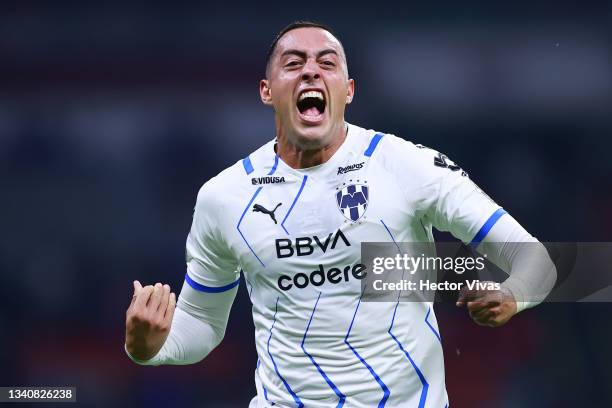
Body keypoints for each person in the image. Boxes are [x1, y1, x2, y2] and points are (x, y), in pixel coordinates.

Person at [124, 21, 556, 407]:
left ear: (348, 90)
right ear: (267, 91)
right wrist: (148, 348)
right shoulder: (224, 196)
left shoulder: (406, 165)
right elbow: (201, 322)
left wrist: (514, 295)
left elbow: (536, 260)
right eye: (293, 63)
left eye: (326, 63)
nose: (311, 70)